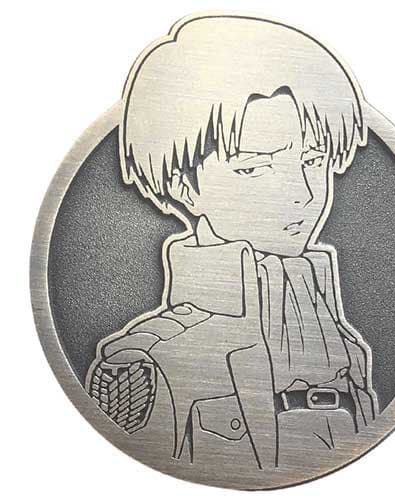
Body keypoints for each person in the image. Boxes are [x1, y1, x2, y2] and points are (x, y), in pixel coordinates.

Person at [86, 15, 378, 473]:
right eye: (255, 168)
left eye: (313, 160)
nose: (302, 193)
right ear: (184, 186)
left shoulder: (344, 343)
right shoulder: (147, 365)